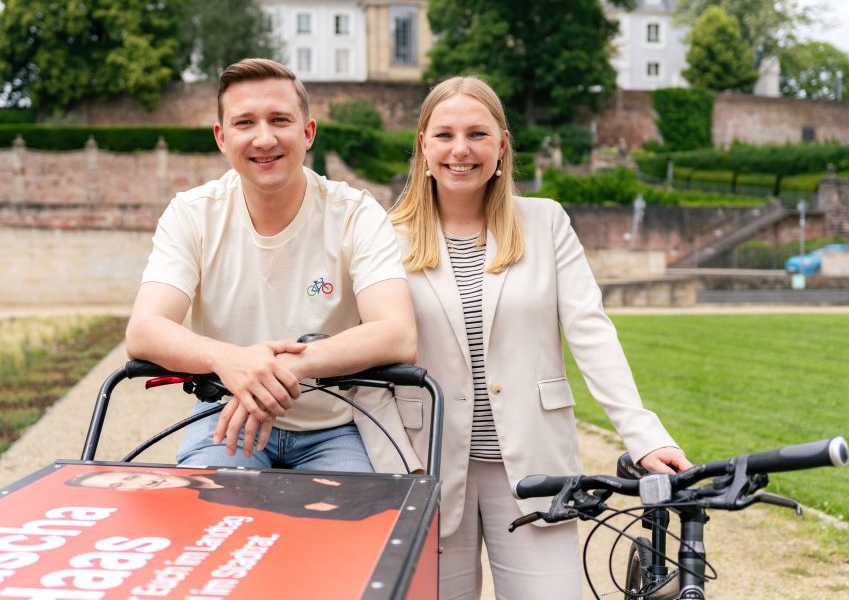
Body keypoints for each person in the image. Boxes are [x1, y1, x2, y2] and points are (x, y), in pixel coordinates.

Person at [355, 76, 691, 599]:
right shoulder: (380, 235)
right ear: (422, 144)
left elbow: (591, 332)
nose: (460, 149)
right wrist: (398, 463)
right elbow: (366, 367)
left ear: (502, 145)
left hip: (536, 465)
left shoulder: (546, 222)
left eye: (477, 134)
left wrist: (644, 434)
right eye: (444, 134)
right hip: (429, 465)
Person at [125, 58, 416, 472]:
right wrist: (228, 359)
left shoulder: (355, 213)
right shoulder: (192, 213)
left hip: (332, 425)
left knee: (350, 527)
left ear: (308, 132)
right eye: (245, 123)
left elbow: (397, 334)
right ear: (222, 138)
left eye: (279, 119)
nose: (264, 138)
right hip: (225, 416)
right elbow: (143, 330)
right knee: (213, 524)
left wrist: (282, 368)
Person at [66, 469, 409, 521]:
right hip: (223, 408)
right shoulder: (204, 503)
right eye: (119, 488)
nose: (131, 483)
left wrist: (255, 379)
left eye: (125, 476)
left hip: (333, 424)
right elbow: (142, 333)